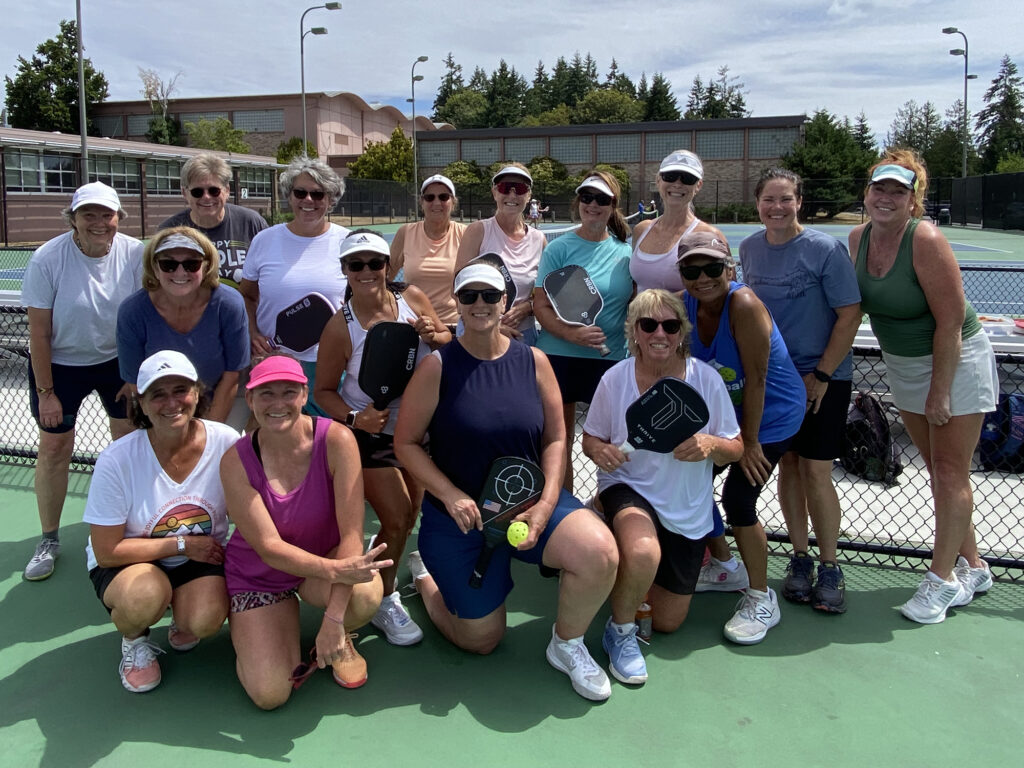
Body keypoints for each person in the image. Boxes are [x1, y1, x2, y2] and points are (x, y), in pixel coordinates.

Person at [394, 262, 619, 702]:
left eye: (490, 295)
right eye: (470, 296)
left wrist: (547, 503)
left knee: (600, 552)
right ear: (457, 303)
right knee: (479, 640)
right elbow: (406, 445)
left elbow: (557, 437)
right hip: (460, 521)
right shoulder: (436, 367)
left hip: (531, 506)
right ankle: (426, 578)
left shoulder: (534, 360)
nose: (480, 304)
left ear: (505, 302)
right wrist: (452, 495)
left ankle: (566, 644)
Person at [849, 151, 997, 624]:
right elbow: (851, 310)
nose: (886, 197)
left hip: (954, 360)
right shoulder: (857, 238)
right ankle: (974, 567)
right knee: (937, 470)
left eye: (898, 191)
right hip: (903, 365)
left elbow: (951, 321)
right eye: (879, 188)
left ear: (914, 201)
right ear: (867, 194)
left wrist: (940, 390)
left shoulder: (926, 239)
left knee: (952, 472)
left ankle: (941, 580)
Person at [582, 289, 742, 684]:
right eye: (648, 324)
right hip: (627, 485)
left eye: (670, 326)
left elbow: (735, 448)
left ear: (681, 333)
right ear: (633, 331)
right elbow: (590, 439)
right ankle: (619, 632)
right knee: (642, 550)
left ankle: (612, 565)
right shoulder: (614, 379)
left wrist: (711, 445)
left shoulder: (705, 380)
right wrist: (600, 452)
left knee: (667, 620)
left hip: (686, 508)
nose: (659, 333)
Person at [221, 355, 389, 710]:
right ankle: (262, 628)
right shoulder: (235, 460)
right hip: (260, 577)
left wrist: (333, 618)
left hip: (323, 561)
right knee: (270, 694)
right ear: (249, 400)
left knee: (366, 592)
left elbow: (351, 536)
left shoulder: (337, 440)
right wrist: (335, 571)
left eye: (288, 392)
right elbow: (268, 548)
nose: (278, 403)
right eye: (266, 394)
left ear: (303, 395)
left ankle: (339, 637)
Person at [315, 231, 450, 646]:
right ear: (345, 271)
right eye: (357, 265)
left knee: (410, 516)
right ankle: (385, 599)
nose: (367, 272)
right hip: (370, 438)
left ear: (387, 267)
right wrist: (356, 418)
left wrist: (435, 334)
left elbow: (445, 339)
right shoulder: (340, 327)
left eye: (375, 263)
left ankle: (385, 574)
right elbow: (322, 392)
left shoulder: (411, 297)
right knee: (395, 516)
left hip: (419, 429)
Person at [739, 167, 861, 613]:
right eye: (769, 200)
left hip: (822, 379)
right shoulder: (750, 248)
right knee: (788, 466)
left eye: (785, 199)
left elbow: (849, 314)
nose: (777, 207)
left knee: (815, 470)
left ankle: (830, 564)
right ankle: (800, 557)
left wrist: (822, 375)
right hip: (775, 380)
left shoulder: (825, 250)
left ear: (799, 202)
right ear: (758, 203)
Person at [83, 350, 238, 693]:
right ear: (141, 403)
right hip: (129, 560)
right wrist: (183, 544)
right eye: (158, 394)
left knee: (205, 620)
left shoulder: (227, 441)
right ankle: (134, 639)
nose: (172, 403)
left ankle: (182, 615)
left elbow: (247, 509)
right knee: (145, 597)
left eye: (180, 390)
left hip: (196, 558)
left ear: (197, 393)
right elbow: (107, 551)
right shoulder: (117, 460)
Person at [677, 232, 806, 643]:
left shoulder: (744, 305)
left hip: (772, 417)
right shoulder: (685, 306)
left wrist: (749, 444)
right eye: (692, 271)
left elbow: (757, 379)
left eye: (713, 268)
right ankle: (724, 566)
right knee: (690, 484)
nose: (703, 278)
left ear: (729, 269)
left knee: (738, 498)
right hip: (727, 420)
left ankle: (760, 596)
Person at [21, 181, 143, 582]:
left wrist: (135, 374)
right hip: (60, 366)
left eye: (106, 214)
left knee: (127, 444)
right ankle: (49, 539)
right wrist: (46, 393)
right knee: (55, 447)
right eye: (88, 214)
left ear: (118, 219)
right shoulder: (47, 258)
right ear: (72, 219)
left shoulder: (135, 253)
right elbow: (38, 333)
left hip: (116, 362)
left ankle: (127, 528)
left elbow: (145, 314)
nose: (98, 222)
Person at [533, 171, 633, 492]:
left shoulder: (626, 254)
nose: (593, 204)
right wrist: (570, 334)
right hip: (558, 358)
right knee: (557, 443)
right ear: (579, 202)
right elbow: (540, 305)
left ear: (612, 205)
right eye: (587, 197)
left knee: (612, 440)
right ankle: (564, 514)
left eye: (602, 199)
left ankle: (613, 508)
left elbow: (635, 305)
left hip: (610, 360)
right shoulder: (558, 249)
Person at [239, 157, 350, 415]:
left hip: (331, 365)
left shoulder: (347, 243)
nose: (308, 200)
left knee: (327, 441)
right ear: (289, 196)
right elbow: (246, 295)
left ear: (331, 199)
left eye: (318, 194)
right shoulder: (264, 240)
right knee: (278, 440)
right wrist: (253, 332)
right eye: (300, 192)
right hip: (275, 360)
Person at [117, 227, 249, 423]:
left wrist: (210, 432)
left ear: (206, 266)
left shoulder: (229, 304)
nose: (180, 272)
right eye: (168, 264)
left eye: (191, 264)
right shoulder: (132, 311)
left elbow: (232, 375)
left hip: (221, 395)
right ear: (154, 267)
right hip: (162, 404)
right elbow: (136, 382)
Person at [455, 163, 546, 344]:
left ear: (528, 196)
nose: (512, 195)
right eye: (505, 188)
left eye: (520, 189)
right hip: (477, 333)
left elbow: (543, 292)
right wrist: (494, 327)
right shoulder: (478, 231)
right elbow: (457, 288)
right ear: (495, 192)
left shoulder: (539, 239)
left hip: (523, 336)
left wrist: (528, 307)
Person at [158, 153, 267, 286]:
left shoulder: (251, 223)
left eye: (214, 190)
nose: (207, 197)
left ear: (227, 191)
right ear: (184, 193)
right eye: (197, 192)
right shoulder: (170, 231)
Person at [630, 150, 725, 293]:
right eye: (670, 176)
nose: (677, 184)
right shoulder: (641, 230)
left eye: (687, 178)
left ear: (698, 185)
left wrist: (662, 304)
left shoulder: (709, 235)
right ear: (658, 181)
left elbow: (723, 291)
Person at [388, 174, 465, 331]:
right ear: (421, 202)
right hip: (413, 325)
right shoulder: (406, 233)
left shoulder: (465, 234)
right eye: (430, 197)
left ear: (453, 201)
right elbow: (385, 278)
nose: (437, 202)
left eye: (443, 197)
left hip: (455, 326)